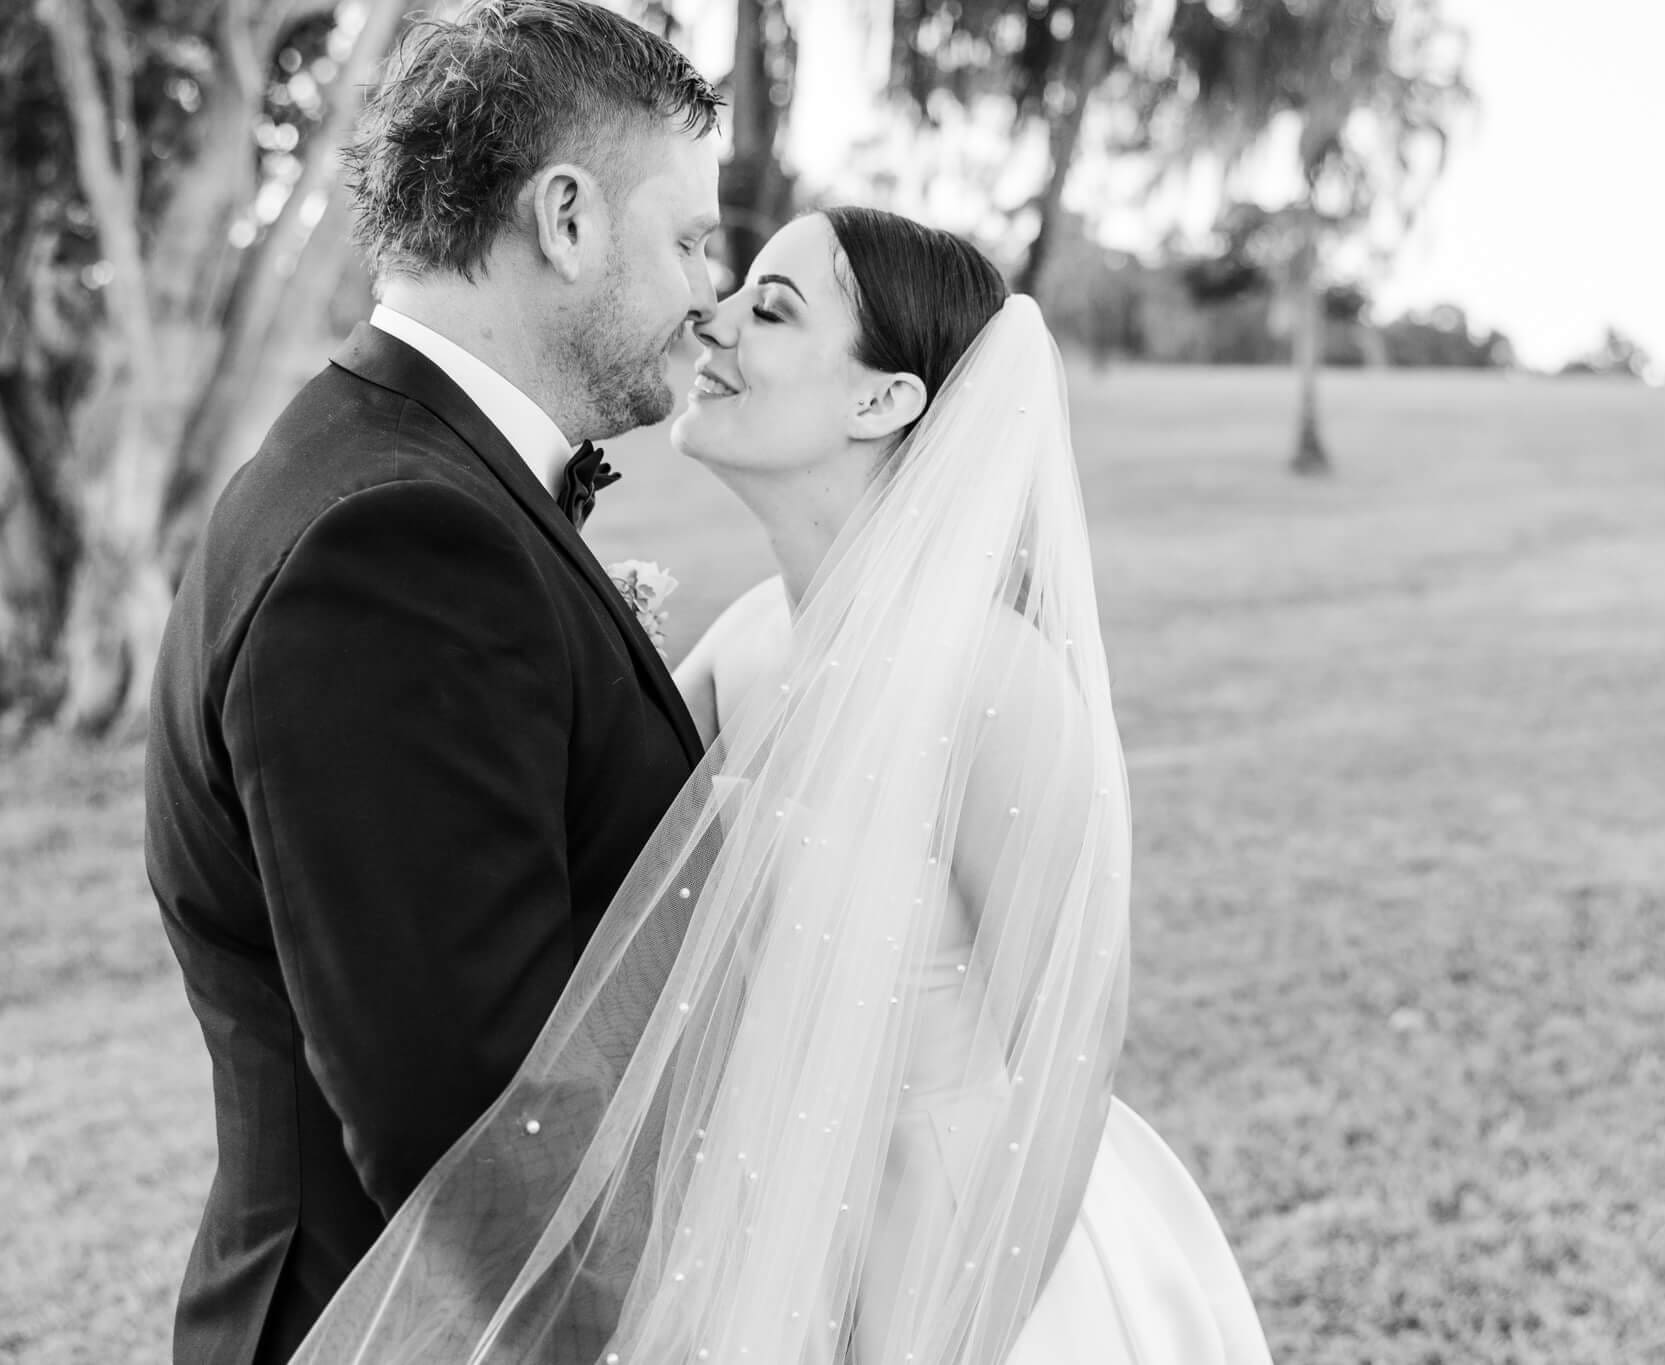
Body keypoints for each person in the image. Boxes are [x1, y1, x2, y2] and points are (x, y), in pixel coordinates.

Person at [290, 208, 1273, 1362]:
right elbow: (593, 849)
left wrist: (958, 1331)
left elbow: (1064, 1057)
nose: (715, 320)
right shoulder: (748, 644)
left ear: (881, 400)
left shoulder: (991, 683)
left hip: (963, 1241)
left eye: (774, 308)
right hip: (771, 1225)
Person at [141, 4, 722, 1361]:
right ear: (566, 217)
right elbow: (468, 1120)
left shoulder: (385, 462)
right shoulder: (398, 545)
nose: (712, 286)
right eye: (690, 235)